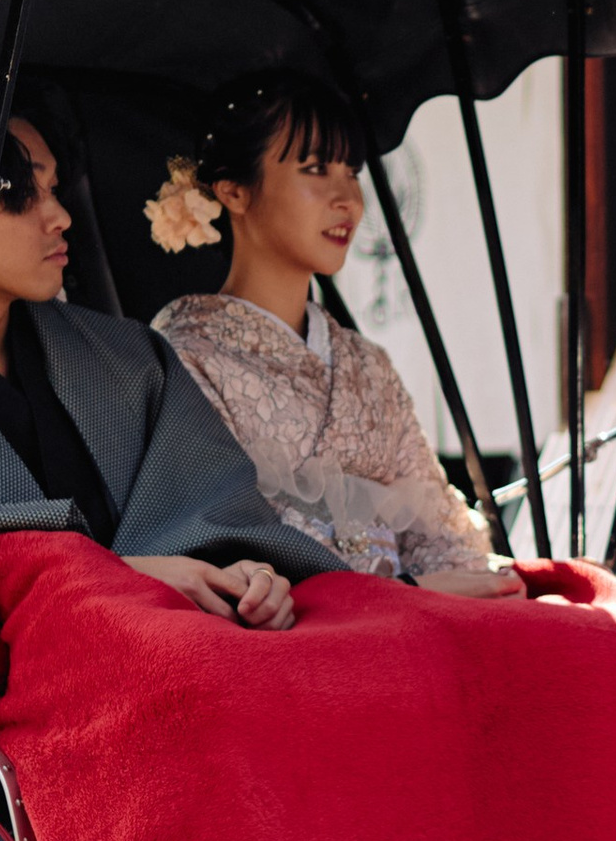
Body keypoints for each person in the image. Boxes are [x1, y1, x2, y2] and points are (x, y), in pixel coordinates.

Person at [0, 106, 346, 624]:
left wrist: (252, 576)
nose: (58, 217)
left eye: (53, 188)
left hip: (192, 635)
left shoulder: (128, 357)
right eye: (21, 193)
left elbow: (221, 511)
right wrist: (121, 580)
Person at [148, 67, 524, 601]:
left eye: (351, 171)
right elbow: (224, 548)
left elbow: (443, 532)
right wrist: (415, 590)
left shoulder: (366, 365)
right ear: (234, 191)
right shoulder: (185, 353)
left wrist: (474, 584)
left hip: (414, 623)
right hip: (289, 643)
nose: (349, 199)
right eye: (316, 168)